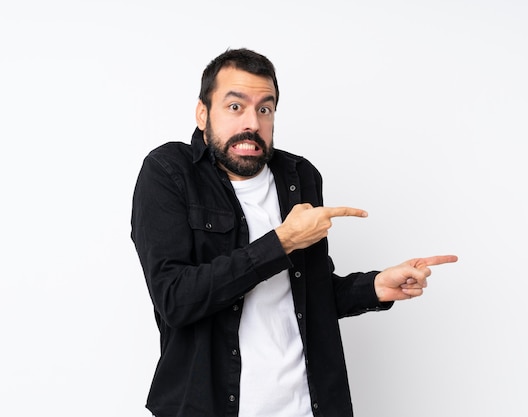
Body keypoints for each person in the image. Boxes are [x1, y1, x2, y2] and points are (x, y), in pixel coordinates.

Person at [130, 47, 457, 417]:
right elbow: (175, 299)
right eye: (235, 107)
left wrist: (375, 286)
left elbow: (306, 295)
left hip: (308, 406)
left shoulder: (300, 177)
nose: (251, 123)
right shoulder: (168, 172)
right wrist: (282, 241)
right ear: (202, 113)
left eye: (264, 109)